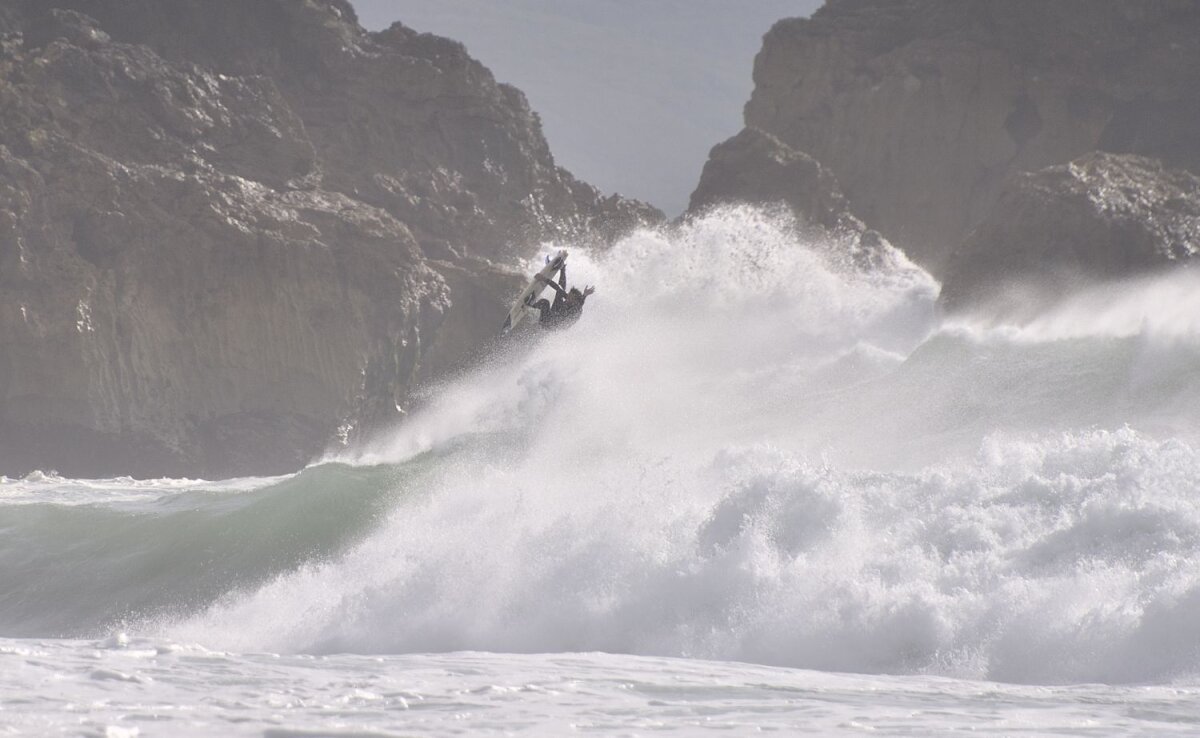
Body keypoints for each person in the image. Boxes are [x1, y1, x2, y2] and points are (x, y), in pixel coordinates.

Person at [529, 262, 595, 329]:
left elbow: (579, 304)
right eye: (568, 296)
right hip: (553, 317)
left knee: (545, 302)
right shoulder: (573, 301)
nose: (567, 298)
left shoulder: (575, 310)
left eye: (570, 297)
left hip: (549, 325)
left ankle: (531, 303)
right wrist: (584, 295)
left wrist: (544, 279)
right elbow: (560, 290)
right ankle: (562, 269)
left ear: (575, 300)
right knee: (560, 292)